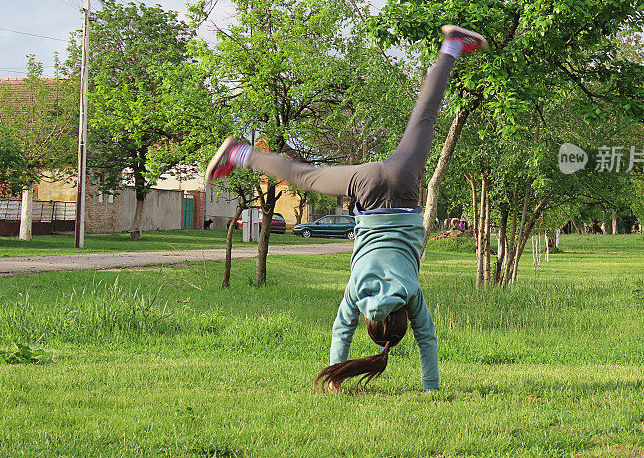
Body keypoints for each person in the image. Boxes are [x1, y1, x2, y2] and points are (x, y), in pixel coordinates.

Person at [206, 25, 488, 391]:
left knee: (425, 117)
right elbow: (342, 328)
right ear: (370, 323)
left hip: (402, 186)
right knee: (304, 177)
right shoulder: (358, 289)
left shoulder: (411, 292)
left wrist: (431, 385)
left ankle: (451, 47)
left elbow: (427, 339)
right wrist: (335, 376)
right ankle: (240, 154)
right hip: (365, 189)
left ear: (403, 315)